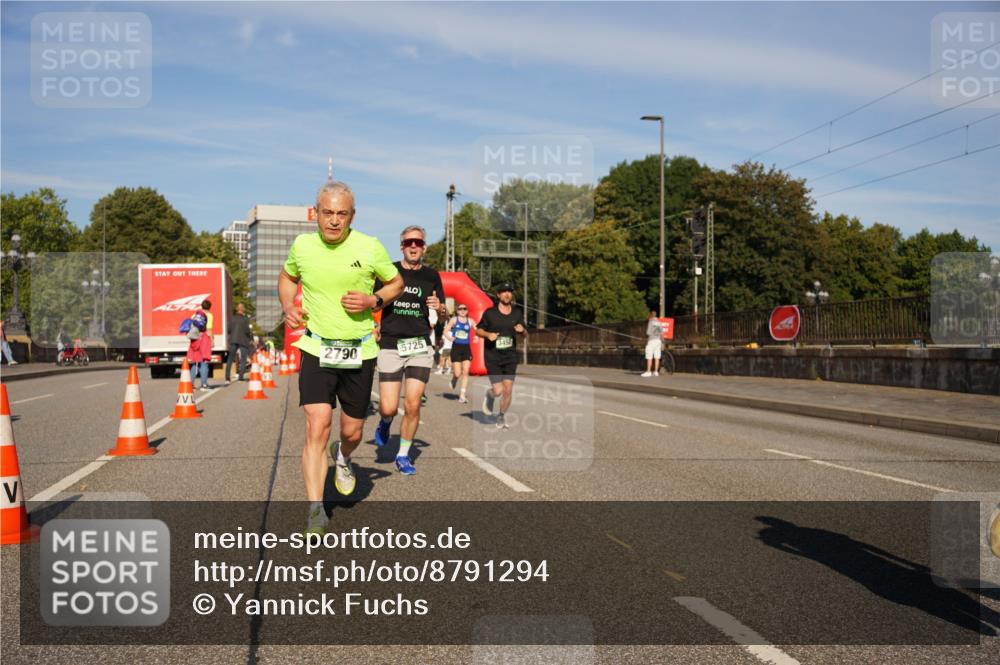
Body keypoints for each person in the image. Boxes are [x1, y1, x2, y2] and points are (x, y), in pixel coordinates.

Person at [279, 181, 403, 536]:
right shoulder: (302, 246)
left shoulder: (369, 246)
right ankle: (316, 509)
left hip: (359, 350)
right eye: (328, 213)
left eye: (342, 214)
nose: (334, 221)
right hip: (317, 347)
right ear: (315, 213)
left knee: (352, 430)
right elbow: (287, 278)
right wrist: (288, 304)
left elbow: (395, 284)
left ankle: (344, 456)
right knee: (316, 424)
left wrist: (373, 302)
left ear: (352, 215)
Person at [372, 225, 446, 476]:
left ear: (424, 247)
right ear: (402, 246)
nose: (413, 246)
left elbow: (443, 310)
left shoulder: (431, 276)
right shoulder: (388, 272)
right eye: (408, 243)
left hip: (419, 344)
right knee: (389, 407)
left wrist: (441, 307)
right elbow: (373, 303)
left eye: (418, 243)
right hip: (391, 344)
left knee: (413, 403)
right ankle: (385, 423)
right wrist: (374, 326)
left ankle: (403, 455)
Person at [476, 283, 526, 429]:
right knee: (498, 390)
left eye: (509, 291)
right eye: (503, 292)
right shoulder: (490, 313)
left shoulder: (517, 313)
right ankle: (490, 395)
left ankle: (501, 416)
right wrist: (488, 334)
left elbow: (524, 334)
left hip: (510, 356)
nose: (507, 294)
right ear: (498, 295)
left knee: (508, 390)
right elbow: (478, 330)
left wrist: (522, 330)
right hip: (493, 356)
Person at [443, 303, 474, 402]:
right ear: (457, 311)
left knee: (466, 371)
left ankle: (462, 395)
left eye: (465, 309)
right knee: (457, 373)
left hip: (466, 348)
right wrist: (449, 337)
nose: (462, 310)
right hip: (456, 348)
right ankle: (454, 380)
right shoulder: (454, 320)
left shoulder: (470, 321)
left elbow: (478, 329)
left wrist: (477, 335)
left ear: (467, 310)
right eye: (460, 309)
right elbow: (445, 331)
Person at [187, 299, 213, 390]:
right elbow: (209, 329)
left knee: (195, 362)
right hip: (204, 339)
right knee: (204, 361)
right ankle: (204, 384)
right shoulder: (209, 315)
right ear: (209, 307)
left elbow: (191, 327)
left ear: (202, 306)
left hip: (195, 340)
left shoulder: (195, 315)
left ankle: (190, 384)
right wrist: (212, 341)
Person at [225, 303, 253, 384]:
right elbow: (247, 331)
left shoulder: (232, 318)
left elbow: (229, 329)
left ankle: (227, 378)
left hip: (233, 339)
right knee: (243, 359)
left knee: (230, 359)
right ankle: (240, 377)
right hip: (243, 340)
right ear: (243, 309)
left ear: (237, 309)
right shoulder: (245, 319)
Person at [642, 310, 664, 377]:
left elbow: (648, 333)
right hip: (658, 341)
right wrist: (662, 340)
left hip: (652, 340)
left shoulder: (651, 321)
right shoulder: (659, 322)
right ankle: (656, 372)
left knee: (649, 356)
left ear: (651, 315)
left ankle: (648, 371)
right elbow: (662, 333)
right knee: (657, 357)